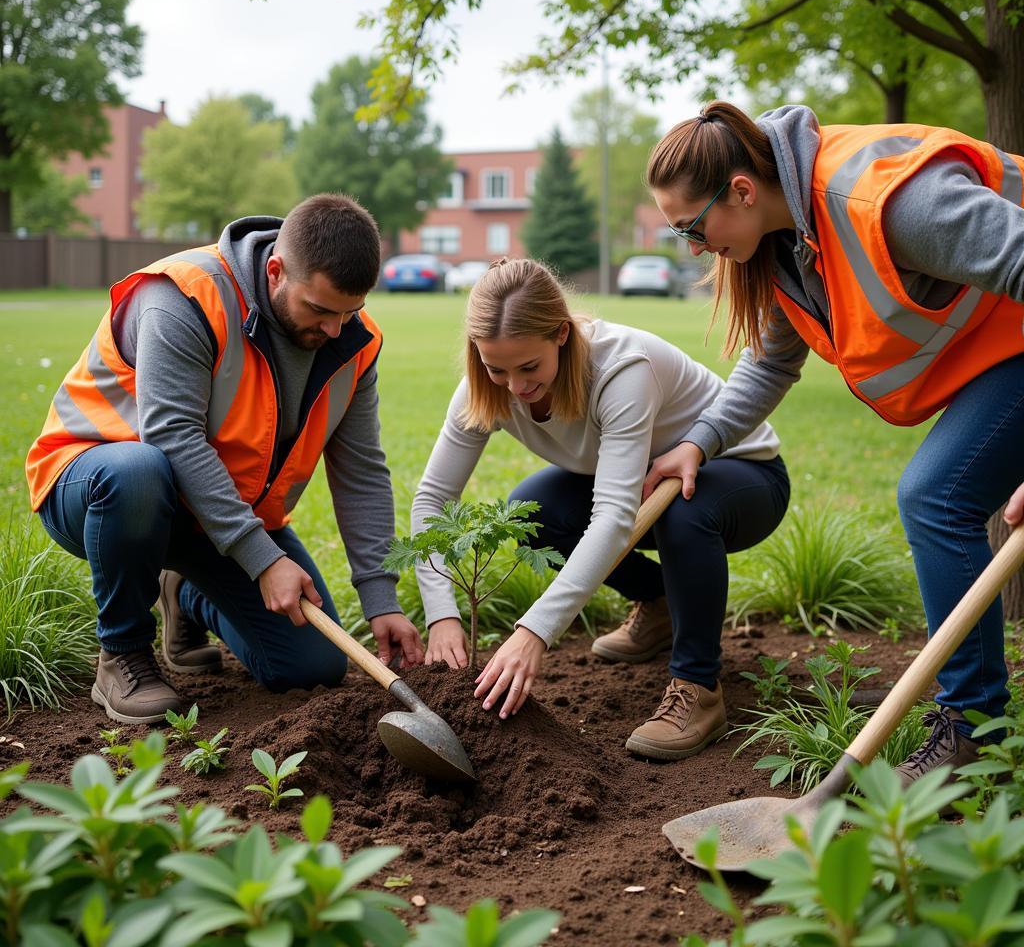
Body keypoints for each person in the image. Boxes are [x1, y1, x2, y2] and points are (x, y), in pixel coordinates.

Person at [643, 101, 1024, 784]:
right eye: (681, 237)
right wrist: (699, 442)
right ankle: (972, 717)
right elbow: (770, 360)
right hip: (1001, 347)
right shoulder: (788, 239)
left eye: (694, 229)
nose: (695, 250)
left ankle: (973, 734)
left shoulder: (890, 204)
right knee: (937, 495)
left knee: (935, 496)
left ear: (742, 190)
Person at [26, 194, 424, 725]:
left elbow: (362, 472)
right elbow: (171, 435)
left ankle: (187, 593)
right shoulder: (186, 297)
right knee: (140, 472)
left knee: (312, 666)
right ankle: (122, 653)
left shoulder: (354, 342)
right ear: (277, 271)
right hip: (98, 486)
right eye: (322, 310)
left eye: (350, 311)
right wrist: (261, 558)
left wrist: (381, 598)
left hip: (217, 514)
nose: (336, 328)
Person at [411, 258, 789, 761]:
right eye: (495, 367)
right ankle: (659, 606)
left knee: (680, 505)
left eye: (529, 368)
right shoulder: (487, 390)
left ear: (562, 335)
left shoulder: (621, 370)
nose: (515, 387)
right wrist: (441, 615)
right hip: (642, 485)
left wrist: (533, 633)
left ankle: (698, 686)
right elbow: (433, 498)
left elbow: (612, 517)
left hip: (742, 478)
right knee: (530, 510)